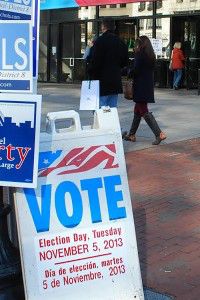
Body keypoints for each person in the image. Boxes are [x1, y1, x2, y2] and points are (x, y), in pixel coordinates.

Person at [123, 36, 166, 146]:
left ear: (140, 44)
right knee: (137, 110)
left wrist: (128, 71)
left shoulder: (139, 54)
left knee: (143, 111)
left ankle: (159, 134)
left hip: (140, 86)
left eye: (137, 44)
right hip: (147, 86)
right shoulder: (151, 55)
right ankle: (131, 134)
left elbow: (136, 70)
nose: (136, 46)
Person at [88, 18, 128, 108]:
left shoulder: (99, 41)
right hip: (115, 81)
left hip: (101, 82)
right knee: (112, 109)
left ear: (103, 26)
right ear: (114, 27)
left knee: (99, 109)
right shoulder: (121, 42)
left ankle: (101, 122)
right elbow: (124, 62)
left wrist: (90, 73)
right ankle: (110, 121)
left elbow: (94, 62)